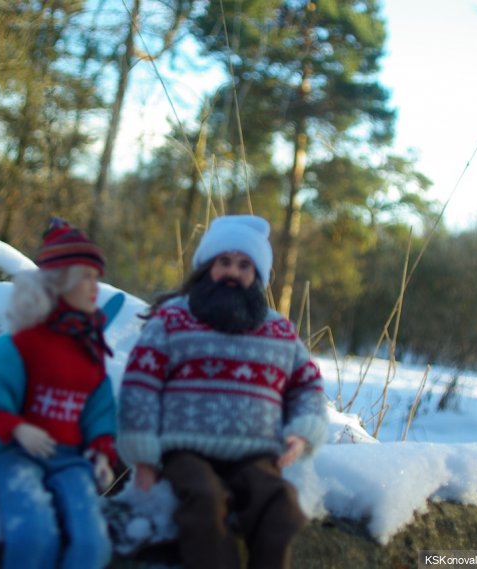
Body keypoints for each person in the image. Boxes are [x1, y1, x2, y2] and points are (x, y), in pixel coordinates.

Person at [117, 214, 328, 569]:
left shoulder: (278, 331)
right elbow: (141, 384)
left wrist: (302, 431)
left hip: (256, 455)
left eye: (245, 265)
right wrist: (142, 452)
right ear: (206, 267)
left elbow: (306, 384)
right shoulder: (172, 319)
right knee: (204, 500)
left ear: (257, 275)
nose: (233, 272)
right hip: (185, 450)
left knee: (280, 505)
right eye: (224, 262)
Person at [0, 217, 116, 569]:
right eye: (86, 277)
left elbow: (97, 407)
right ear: (60, 284)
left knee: (92, 543)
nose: (95, 287)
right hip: (15, 456)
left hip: (69, 460)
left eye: (96, 278)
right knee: (33, 535)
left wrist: (100, 451)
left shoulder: (88, 351)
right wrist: (16, 427)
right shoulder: (24, 344)